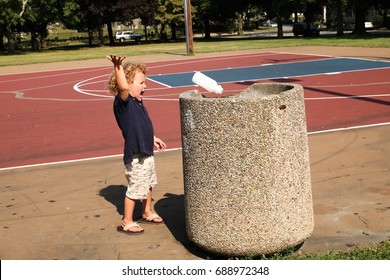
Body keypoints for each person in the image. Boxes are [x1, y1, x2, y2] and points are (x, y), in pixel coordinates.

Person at [106, 54, 166, 235]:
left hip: (146, 151)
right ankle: (127, 221)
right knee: (135, 188)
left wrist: (152, 137)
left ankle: (147, 211)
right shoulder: (123, 102)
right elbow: (123, 87)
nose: (145, 86)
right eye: (141, 83)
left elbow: (141, 126)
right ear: (128, 85)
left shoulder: (138, 102)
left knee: (147, 184)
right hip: (135, 154)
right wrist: (118, 67)